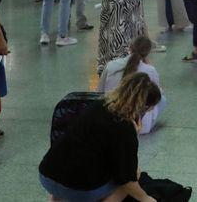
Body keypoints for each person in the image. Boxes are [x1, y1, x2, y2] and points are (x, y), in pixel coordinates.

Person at [39, 72, 162, 202]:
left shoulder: (99, 105)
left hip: (47, 175)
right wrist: (145, 198)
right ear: (144, 107)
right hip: (80, 190)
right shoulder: (124, 128)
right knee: (135, 174)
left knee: (69, 171)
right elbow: (126, 178)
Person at [99, 36, 167, 134]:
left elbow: (99, 91)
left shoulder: (111, 65)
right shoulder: (150, 70)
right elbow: (155, 96)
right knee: (163, 98)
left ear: (129, 48)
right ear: (148, 53)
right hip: (139, 126)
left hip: (109, 119)